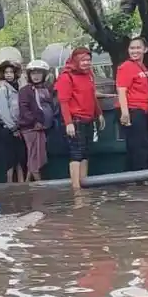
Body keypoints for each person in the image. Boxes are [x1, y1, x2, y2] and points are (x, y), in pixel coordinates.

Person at [55, 47, 105, 191]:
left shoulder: (89, 74)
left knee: (85, 152)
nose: (86, 63)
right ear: (76, 60)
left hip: (88, 118)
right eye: (83, 60)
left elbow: (92, 95)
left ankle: (83, 182)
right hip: (75, 119)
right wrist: (69, 122)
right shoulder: (66, 76)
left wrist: (99, 113)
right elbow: (63, 101)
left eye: (88, 60)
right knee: (76, 152)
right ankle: (76, 188)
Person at [115, 37, 148, 171]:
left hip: (144, 110)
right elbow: (121, 90)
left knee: (142, 144)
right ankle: (139, 177)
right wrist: (125, 113)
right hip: (133, 109)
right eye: (132, 48)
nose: (135, 51)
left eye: (138, 48)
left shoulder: (142, 66)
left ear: (145, 49)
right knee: (138, 145)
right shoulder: (126, 67)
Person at [17, 60, 55, 182]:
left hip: (44, 127)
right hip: (30, 128)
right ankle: (39, 182)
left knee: (36, 155)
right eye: (33, 73)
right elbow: (24, 109)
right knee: (34, 155)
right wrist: (35, 122)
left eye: (39, 73)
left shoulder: (46, 89)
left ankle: (28, 182)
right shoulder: (25, 91)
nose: (36, 76)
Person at [0, 61, 25, 183]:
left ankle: (22, 183)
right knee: (10, 160)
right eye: (6, 72)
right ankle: (9, 184)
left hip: (19, 126)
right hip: (8, 129)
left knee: (20, 158)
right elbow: (3, 111)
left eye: (11, 72)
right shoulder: (3, 88)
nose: (8, 75)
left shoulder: (18, 87)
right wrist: (13, 128)